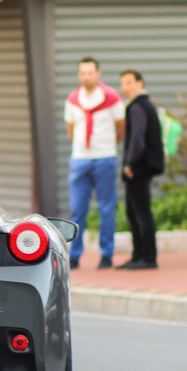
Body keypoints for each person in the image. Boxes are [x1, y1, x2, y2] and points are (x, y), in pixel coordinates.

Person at [64, 56, 125, 270]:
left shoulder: (111, 97)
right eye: (83, 73)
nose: (86, 77)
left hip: (104, 158)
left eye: (90, 73)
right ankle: (75, 254)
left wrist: (108, 146)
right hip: (80, 159)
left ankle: (106, 253)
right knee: (77, 209)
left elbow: (120, 127)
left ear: (98, 74)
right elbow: (71, 129)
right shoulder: (72, 99)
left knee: (106, 207)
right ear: (79, 75)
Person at [118, 69, 165, 270]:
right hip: (141, 167)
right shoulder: (144, 105)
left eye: (129, 83)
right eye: (123, 83)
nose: (125, 87)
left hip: (138, 169)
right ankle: (138, 255)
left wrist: (129, 164)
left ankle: (147, 257)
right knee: (133, 211)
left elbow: (137, 139)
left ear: (139, 83)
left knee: (141, 213)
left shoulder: (138, 107)